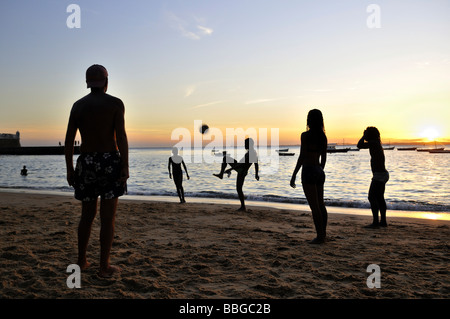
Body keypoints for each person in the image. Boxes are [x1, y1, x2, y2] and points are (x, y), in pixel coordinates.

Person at [64, 64, 129, 278]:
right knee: (107, 218)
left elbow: (69, 141)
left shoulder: (78, 106)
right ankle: (104, 266)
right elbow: (121, 137)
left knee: (87, 216)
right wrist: (125, 166)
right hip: (110, 160)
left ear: (87, 83)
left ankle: (82, 260)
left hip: (87, 161)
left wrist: (70, 168)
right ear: (106, 82)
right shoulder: (115, 104)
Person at [290, 109, 328, 244]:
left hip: (308, 170)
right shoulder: (323, 137)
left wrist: (294, 174)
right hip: (319, 170)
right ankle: (323, 233)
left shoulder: (305, 135)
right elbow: (324, 158)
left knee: (314, 207)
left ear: (309, 120)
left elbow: (302, 156)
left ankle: (320, 237)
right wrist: (320, 169)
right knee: (321, 205)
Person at [213, 138, 259, 211]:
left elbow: (243, 164)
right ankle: (221, 174)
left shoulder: (251, 153)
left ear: (250, 144)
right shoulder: (253, 152)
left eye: (246, 144)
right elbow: (256, 164)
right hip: (240, 168)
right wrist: (256, 174)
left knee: (239, 189)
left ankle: (243, 207)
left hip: (242, 171)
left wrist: (231, 169)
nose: (244, 145)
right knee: (226, 158)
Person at [357, 127, 389, 228]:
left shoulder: (374, 143)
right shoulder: (376, 143)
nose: (364, 135)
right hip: (382, 174)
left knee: (371, 197)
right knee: (379, 198)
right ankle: (383, 221)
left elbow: (359, 145)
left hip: (379, 175)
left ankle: (376, 222)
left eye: (366, 133)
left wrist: (363, 136)